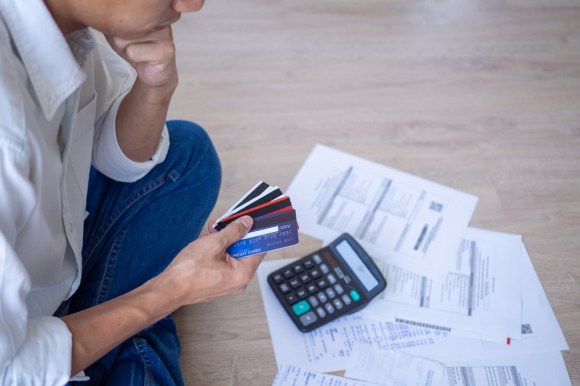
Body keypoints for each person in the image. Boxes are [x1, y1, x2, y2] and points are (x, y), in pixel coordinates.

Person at [0, 0, 265, 384]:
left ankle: (112, 326)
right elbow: (10, 371)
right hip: (16, 353)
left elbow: (115, 161)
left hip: (42, 284)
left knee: (189, 154)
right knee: (146, 328)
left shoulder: (65, 28)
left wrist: (156, 86)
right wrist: (167, 293)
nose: (192, 4)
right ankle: (132, 332)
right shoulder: (6, 135)